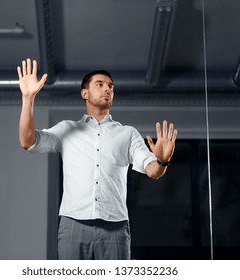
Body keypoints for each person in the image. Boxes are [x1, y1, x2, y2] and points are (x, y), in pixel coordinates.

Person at [17, 58, 177, 260]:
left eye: (111, 86)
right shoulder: (67, 129)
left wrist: (163, 160)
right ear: (85, 93)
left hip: (116, 227)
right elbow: (27, 141)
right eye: (99, 85)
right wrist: (28, 98)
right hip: (73, 223)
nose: (107, 89)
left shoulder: (127, 134)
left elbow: (153, 171)